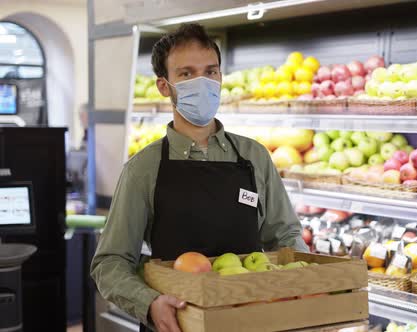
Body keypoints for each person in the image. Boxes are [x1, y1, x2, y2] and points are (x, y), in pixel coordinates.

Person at [91, 23, 308, 332]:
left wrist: (307, 287)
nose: (203, 82)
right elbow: (110, 262)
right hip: (177, 321)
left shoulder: (254, 157)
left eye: (211, 71)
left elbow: (285, 236)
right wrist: (149, 303)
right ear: (164, 86)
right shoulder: (144, 168)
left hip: (249, 318)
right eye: (186, 74)